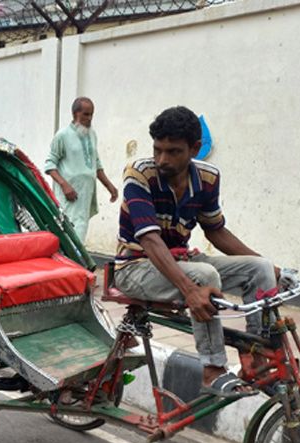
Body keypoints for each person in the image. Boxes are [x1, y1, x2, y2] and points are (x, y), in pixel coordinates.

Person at [114, 106, 279, 397]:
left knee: (260, 268)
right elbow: (150, 240)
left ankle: (256, 358)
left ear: (195, 148)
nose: (162, 159)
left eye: (173, 151)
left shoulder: (207, 179)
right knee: (204, 276)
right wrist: (189, 289)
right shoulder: (139, 175)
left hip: (181, 259)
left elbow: (216, 230)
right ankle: (213, 368)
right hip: (135, 267)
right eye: (158, 150)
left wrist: (268, 264)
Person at [45, 97, 119, 242]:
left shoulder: (92, 135)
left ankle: (75, 262)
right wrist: (65, 185)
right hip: (70, 195)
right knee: (69, 232)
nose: (89, 118)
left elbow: (96, 164)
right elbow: (50, 165)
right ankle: (70, 263)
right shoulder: (62, 135)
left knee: (81, 229)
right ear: (75, 114)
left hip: (86, 194)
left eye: (91, 114)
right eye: (86, 114)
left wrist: (109, 186)